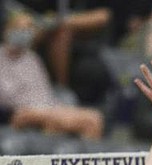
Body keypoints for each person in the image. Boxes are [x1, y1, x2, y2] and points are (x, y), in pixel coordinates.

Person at [0, 10, 104, 140]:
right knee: (87, 120)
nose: (24, 33)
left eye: (28, 29)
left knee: (94, 119)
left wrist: (56, 108)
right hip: (20, 112)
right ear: (7, 30)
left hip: (45, 108)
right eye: (19, 28)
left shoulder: (31, 58)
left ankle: (75, 153)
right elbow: (5, 99)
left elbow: (43, 92)